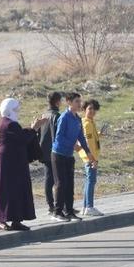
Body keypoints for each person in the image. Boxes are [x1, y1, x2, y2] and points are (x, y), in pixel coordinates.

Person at [0, 98, 49, 230]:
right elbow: (22, 139)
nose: (17, 112)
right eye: (15, 110)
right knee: (8, 190)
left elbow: (19, 136)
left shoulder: (6, 122)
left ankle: (15, 220)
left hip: (12, 160)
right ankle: (2, 220)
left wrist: (31, 129)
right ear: (9, 110)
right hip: (9, 161)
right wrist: (34, 128)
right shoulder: (10, 124)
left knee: (15, 189)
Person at [50, 93, 95, 222]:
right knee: (60, 183)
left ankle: (69, 211)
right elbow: (59, 137)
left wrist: (88, 152)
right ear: (69, 102)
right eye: (76, 101)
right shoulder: (64, 117)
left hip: (69, 155)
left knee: (70, 184)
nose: (79, 104)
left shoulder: (77, 119)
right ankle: (57, 211)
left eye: (80, 101)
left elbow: (81, 137)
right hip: (58, 154)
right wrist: (72, 145)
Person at [77, 99, 103, 217]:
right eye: (89, 109)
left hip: (91, 157)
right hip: (90, 158)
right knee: (91, 181)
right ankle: (89, 207)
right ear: (84, 110)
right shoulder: (86, 123)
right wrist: (93, 159)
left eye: (94, 109)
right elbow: (87, 142)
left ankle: (85, 207)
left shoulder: (90, 122)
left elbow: (92, 138)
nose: (92, 111)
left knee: (89, 181)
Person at [37, 91, 61, 215]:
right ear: (57, 102)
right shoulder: (57, 116)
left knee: (48, 178)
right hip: (55, 152)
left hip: (44, 151)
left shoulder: (44, 114)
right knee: (58, 179)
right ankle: (56, 206)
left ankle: (50, 205)